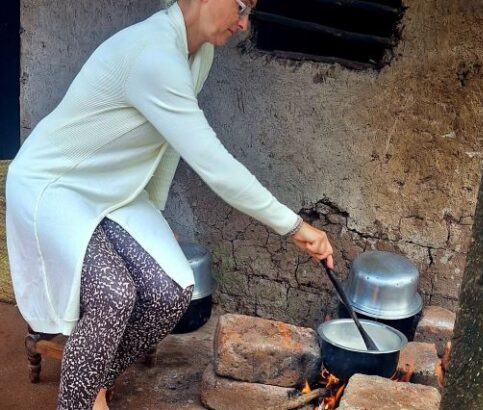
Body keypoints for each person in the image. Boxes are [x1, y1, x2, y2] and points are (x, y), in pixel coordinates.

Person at [5, 0, 334, 409]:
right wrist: (294, 226)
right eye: (241, 7)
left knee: (170, 292)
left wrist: (156, 211)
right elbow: (215, 166)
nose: (244, 24)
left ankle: (93, 380)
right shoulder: (154, 54)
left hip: (112, 192)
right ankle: (80, 401)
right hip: (53, 186)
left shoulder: (200, 53)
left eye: (249, 12)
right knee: (115, 296)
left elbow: (169, 143)